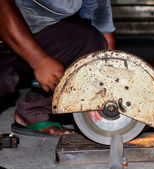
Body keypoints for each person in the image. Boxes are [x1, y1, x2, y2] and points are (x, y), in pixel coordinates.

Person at [0, 0, 116, 135]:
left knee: (90, 41)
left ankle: (33, 112)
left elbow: (103, 30)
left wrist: (108, 84)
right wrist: (39, 60)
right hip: (4, 34)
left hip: (38, 36)